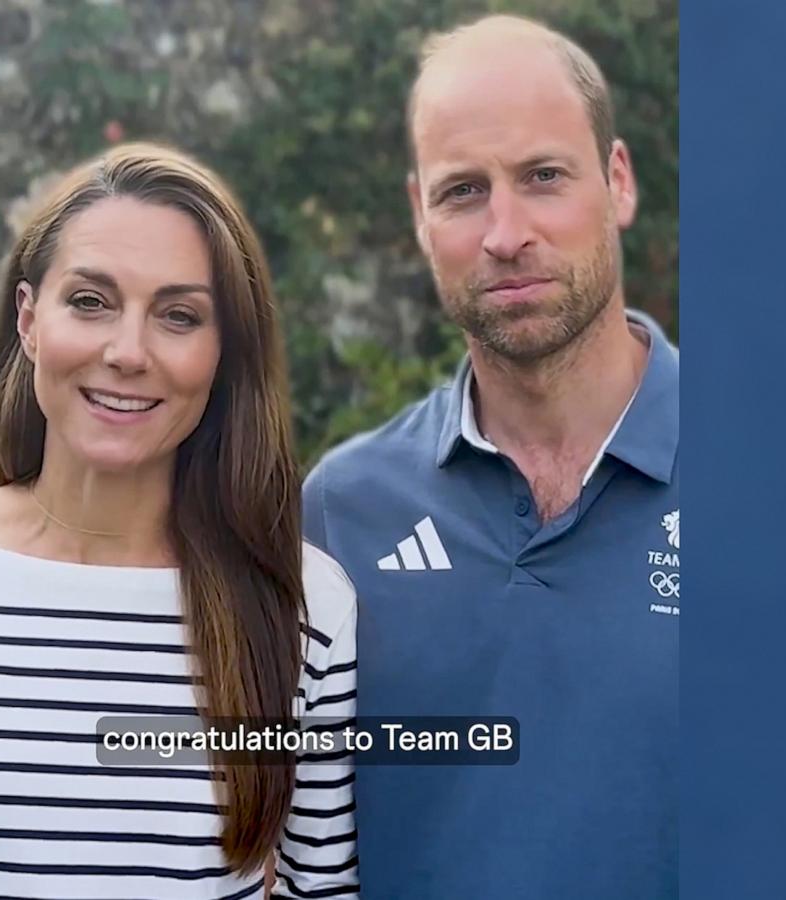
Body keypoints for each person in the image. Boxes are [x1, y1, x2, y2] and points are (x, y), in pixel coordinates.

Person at [301, 15, 678, 898]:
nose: (505, 231)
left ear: (617, 181)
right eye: (463, 191)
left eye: (543, 176)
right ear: (420, 218)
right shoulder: (340, 514)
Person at [0, 143, 359, 900]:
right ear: (30, 321)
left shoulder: (303, 607)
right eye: (91, 301)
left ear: (223, 356)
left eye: (178, 315)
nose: (127, 352)